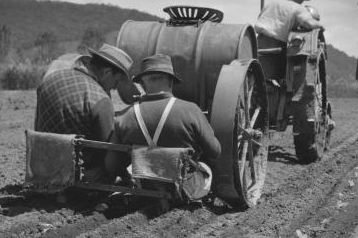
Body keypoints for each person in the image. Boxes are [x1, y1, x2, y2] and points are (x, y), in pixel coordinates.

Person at [105, 54, 221, 202]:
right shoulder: (191, 110)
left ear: (142, 84)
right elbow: (215, 151)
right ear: (171, 82)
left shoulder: (123, 117)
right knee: (206, 168)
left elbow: (112, 166)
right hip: (186, 188)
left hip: (144, 188)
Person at [35, 43, 133, 182]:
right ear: (106, 72)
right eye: (116, 82)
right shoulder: (100, 99)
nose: (115, 88)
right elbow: (108, 154)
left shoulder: (50, 80)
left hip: (42, 171)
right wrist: (125, 175)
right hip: (78, 178)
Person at [254, 0, 324, 46]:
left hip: (257, 42)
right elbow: (309, 23)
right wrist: (321, 26)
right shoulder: (298, 7)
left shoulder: (272, 3)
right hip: (277, 47)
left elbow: (260, 17)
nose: (303, 0)